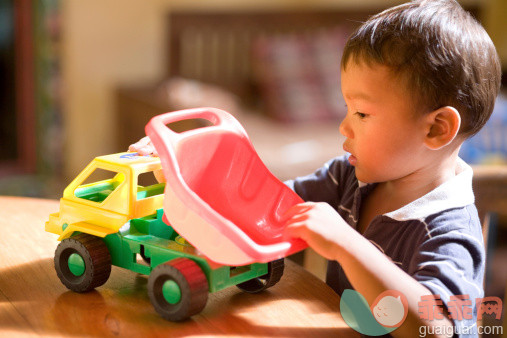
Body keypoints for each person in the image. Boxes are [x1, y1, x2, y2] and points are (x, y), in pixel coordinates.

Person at [130, 1, 501, 336]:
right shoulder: (349, 178)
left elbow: (437, 328)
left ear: (436, 129)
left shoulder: (452, 233)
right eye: (345, 108)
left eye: (361, 113)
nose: (344, 126)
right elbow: (260, 208)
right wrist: (177, 162)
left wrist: (347, 244)